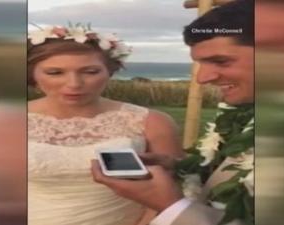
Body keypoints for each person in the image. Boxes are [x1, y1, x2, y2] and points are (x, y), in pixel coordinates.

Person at [92, 0, 254, 225]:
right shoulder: (246, 117)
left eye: (221, 61)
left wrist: (171, 205)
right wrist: (179, 167)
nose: (202, 78)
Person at [27, 25, 183, 225]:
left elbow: (170, 193)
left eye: (90, 72)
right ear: (33, 75)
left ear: (109, 71)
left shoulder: (152, 122)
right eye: (55, 72)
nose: (74, 83)